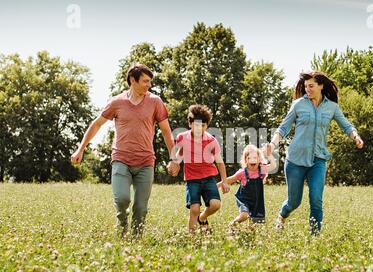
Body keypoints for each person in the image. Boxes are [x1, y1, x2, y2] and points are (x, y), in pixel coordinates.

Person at [71, 63, 179, 239]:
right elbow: (97, 124)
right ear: (132, 80)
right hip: (121, 159)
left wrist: (174, 159)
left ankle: (136, 239)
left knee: (141, 207)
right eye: (145, 81)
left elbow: (166, 131)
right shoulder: (117, 102)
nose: (148, 85)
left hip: (145, 162)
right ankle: (122, 227)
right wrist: (80, 149)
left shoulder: (155, 102)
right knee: (122, 199)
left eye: (150, 81)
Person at [265, 71, 364, 235]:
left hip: (318, 159)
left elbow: (346, 125)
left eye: (311, 86)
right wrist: (273, 144)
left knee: (316, 199)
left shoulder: (331, 107)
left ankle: (315, 237)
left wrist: (355, 136)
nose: (307, 89)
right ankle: (282, 216)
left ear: (321, 86)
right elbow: (283, 128)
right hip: (296, 160)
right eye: (305, 86)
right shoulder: (298, 104)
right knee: (294, 202)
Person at [170, 105, 230, 233]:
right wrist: (174, 163)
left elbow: (220, 162)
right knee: (194, 209)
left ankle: (203, 217)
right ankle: (192, 237)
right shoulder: (182, 137)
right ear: (190, 124)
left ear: (207, 126)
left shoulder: (211, 140)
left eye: (202, 125)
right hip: (192, 179)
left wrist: (224, 181)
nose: (199, 128)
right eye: (196, 125)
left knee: (215, 204)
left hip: (209, 178)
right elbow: (179, 153)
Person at [217, 144, 276, 228]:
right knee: (244, 215)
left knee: (253, 224)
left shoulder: (262, 170)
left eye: (255, 158)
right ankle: (232, 225)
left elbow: (273, 166)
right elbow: (230, 179)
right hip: (244, 199)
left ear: (259, 159)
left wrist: (269, 155)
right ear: (245, 160)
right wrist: (217, 185)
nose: (252, 160)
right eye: (249, 158)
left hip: (256, 200)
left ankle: (249, 236)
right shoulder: (243, 172)